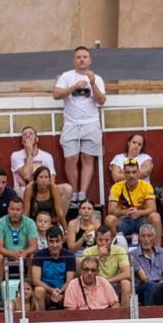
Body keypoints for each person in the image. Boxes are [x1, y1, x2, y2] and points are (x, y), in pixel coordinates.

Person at [53, 46, 106, 206]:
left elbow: (101, 100)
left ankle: (82, 194)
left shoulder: (97, 78)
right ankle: (74, 193)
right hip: (71, 123)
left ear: (89, 60)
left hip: (90, 122)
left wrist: (92, 82)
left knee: (87, 158)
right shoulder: (66, 76)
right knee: (71, 159)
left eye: (85, 57)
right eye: (78, 57)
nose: (82, 59)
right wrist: (74, 87)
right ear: (74, 60)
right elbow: (56, 94)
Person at [0, 195, 37, 309]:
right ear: (8, 210)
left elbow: (33, 246)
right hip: (6, 255)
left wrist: (24, 253)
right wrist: (13, 254)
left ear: (22, 210)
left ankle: (30, 294)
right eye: (12, 209)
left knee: (33, 257)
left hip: (24, 256)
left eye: (18, 210)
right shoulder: (0, 223)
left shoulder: (29, 223)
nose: (15, 212)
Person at [11, 126, 71, 205]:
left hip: (44, 189)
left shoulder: (46, 156)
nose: (28, 136)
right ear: (22, 141)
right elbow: (27, 176)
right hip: (24, 191)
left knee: (67, 188)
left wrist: (33, 182)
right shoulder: (16, 155)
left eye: (31, 133)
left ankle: (58, 217)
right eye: (25, 134)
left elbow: (52, 180)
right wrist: (29, 153)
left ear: (37, 139)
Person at [105, 159, 160, 242]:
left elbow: (153, 208)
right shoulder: (116, 187)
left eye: (134, 172)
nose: (131, 175)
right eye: (128, 172)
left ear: (138, 172)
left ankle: (158, 252)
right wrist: (125, 212)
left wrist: (138, 213)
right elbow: (111, 210)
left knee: (155, 217)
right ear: (124, 173)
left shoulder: (146, 186)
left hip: (141, 220)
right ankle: (115, 251)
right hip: (124, 220)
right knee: (109, 219)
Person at [81, 225, 133, 308]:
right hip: (94, 284)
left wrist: (107, 281)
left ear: (112, 240)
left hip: (114, 283)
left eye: (107, 240)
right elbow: (83, 273)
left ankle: (124, 316)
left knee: (126, 284)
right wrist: (98, 256)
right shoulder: (87, 252)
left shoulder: (119, 250)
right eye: (100, 240)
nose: (103, 243)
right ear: (95, 240)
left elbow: (127, 273)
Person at [30, 226, 76, 311]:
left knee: (71, 289)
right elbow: (36, 280)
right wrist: (51, 291)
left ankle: (69, 320)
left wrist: (59, 291)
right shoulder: (39, 255)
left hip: (62, 291)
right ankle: (41, 319)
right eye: (51, 241)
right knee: (39, 290)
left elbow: (70, 280)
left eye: (57, 241)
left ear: (62, 240)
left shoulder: (69, 255)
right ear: (47, 241)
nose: (55, 245)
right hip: (47, 292)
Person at [131, 224, 163, 306]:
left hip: (160, 283)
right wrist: (158, 286)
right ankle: (151, 314)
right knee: (151, 286)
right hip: (143, 286)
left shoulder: (161, 251)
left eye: (149, 236)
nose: (146, 239)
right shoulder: (133, 254)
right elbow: (144, 278)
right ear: (139, 238)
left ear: (154, 238)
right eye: (143, 236)